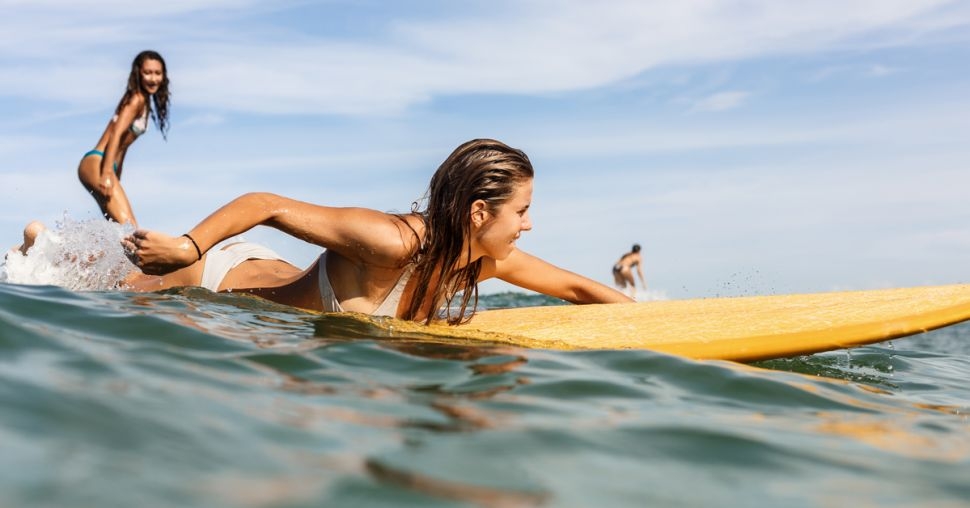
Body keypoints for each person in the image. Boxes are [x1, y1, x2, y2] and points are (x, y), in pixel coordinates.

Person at [124, 139, 633, 324]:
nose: (529, 223)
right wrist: (187, 246)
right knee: (93, 285)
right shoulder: (392, 242)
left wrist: (658, 327)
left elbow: (577, 288)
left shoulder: (481, 261)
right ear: (480, 214)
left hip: (269, 277)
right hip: (212, 276)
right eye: (522, 211)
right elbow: (267, 205)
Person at [77, 50, 171, 226]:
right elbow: (116, 135)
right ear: (138, 73)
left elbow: (124, 145)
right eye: (147, 72)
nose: (153, 78)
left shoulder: (144, 101)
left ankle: (72, 252)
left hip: (107, 164)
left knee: (118, 230)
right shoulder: (137, 99)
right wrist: (106, 173)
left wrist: (115, 172)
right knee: (129, 228)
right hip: (97, 162)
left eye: (157, 73)